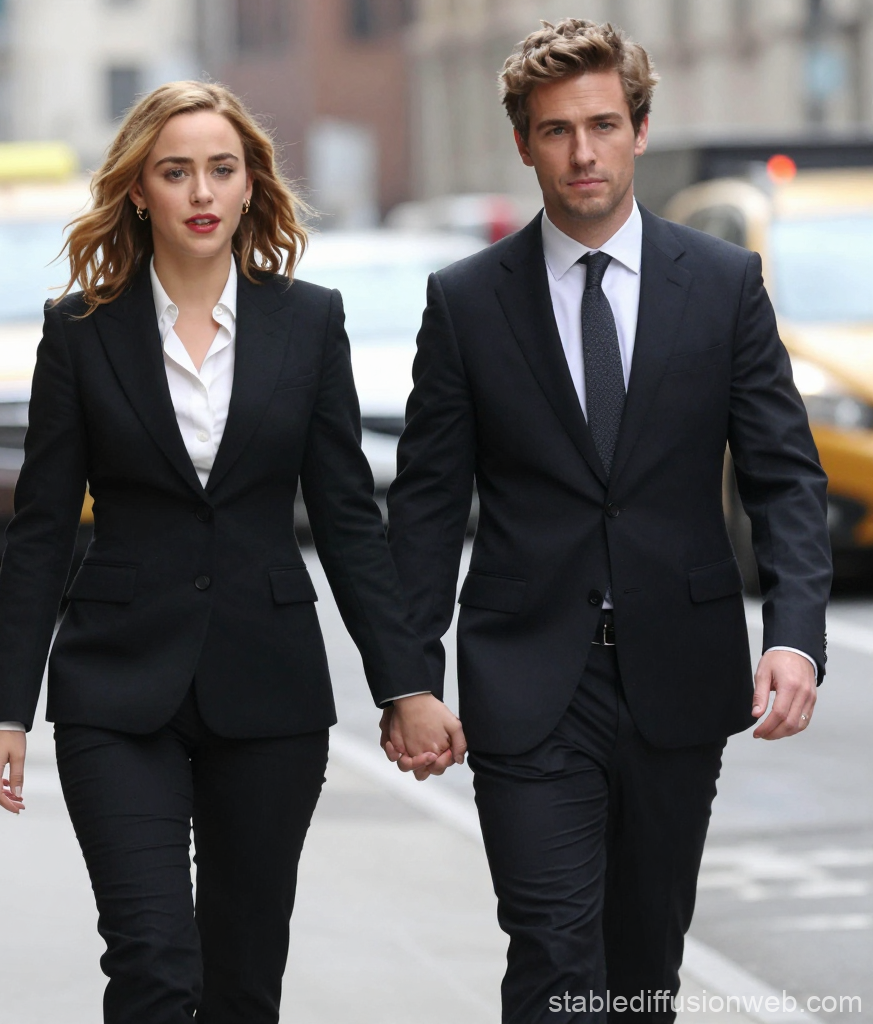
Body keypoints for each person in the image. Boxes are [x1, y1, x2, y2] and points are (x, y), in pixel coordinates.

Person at [0, 81, 463, 1024]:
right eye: (175, 170)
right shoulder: (79, 333)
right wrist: (5, 709)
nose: (201, 190)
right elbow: (38, 530)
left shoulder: (309, 321)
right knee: (154, 965)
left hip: (269, 691)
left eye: (221, 169)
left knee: (242, 980)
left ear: (250, 188)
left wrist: (405, 682)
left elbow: (349, 518)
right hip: (116, 692)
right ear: (138, 191)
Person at [383, 18, 832, 1023]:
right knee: (552, 955)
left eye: (599, 125)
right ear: (523, 142)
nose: (581, 152)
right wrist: (409, 679)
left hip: (678, 673)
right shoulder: (466, 302)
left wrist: (795, 636)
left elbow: (784, 477)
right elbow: (423, 505)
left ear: (636, 128)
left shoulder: (720, 285)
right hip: (527, 678)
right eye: (554, 131)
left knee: (640, 974)